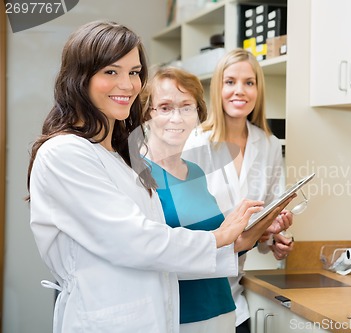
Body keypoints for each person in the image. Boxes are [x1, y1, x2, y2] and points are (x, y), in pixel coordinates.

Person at [26, 21, 288, 333]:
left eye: (134, 72)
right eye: (111, 71)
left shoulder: (120, 159)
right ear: (79, 77)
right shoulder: (64, 153)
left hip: (158, 317)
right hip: (104, 320)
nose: (127, 84)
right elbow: (134, 241)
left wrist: (238, 242)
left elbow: (158, 252)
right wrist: (219, 237)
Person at [140, 66, 289, 332]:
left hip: (222, 309)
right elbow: (153, 254)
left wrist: (255, 231)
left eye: (187, 107)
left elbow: (219, 246)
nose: (177, 117)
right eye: (164, 107)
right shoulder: (138, 174)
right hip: (178, 316)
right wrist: (225, 236)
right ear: (146, 113)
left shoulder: (194, 172)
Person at [184, 48, 295, 333]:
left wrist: (274, 235)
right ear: (218, 87)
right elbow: (183, 224)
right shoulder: (197, 142)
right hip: (195, 291)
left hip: (235, 297)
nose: (240, 91)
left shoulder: (268, 144)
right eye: (230, 81)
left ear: (258, 89)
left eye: (249, 82)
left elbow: (266, 212)